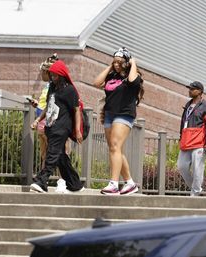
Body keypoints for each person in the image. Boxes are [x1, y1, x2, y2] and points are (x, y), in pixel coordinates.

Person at [93, 47, 143, 195]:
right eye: (115, 62)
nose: (116, 64)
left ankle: (113, 184)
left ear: (126, 63)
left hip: (124, 114)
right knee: (115, 149)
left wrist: (133, 63)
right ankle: (130, 183)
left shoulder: (134, 76)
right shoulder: (112, 75)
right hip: (109, 114)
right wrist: (110, 66)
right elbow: (96, 82)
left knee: (115, 146)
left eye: (120, 62)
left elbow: (133, 80)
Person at [29, 59, 84, 194]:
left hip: (62, 127)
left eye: (55, 75)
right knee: (60, 157)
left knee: (52, 154)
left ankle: (42, 181)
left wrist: (77, 130)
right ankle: (75, 184)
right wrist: (37, 120)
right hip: (50, 126)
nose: (52, 78)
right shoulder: (52, 88)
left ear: (61, 75)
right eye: (51, 75)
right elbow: (48, 106)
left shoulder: (70, 90)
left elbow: (77, 110)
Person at [177, 81, 206, 196]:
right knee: (181, 166)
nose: (190, 91)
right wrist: (181, 137)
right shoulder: (188, 105)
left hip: (199, 142)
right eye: (189, 89)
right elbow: (183, 123)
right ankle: (196, 188)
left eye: (192, 89)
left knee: (197, 168)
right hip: (186, 141)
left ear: (200, 91)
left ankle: (195, 193)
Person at [28, 54, 57, 178]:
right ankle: (43, 177)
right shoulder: (47, 86)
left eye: (44, 71)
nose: (42, 73)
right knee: (44, 153)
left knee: (57, 152)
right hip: (41, 121)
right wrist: (36, 104)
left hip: (51, 122)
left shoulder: (57, 85)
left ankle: (63, 180)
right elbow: (45, 103)